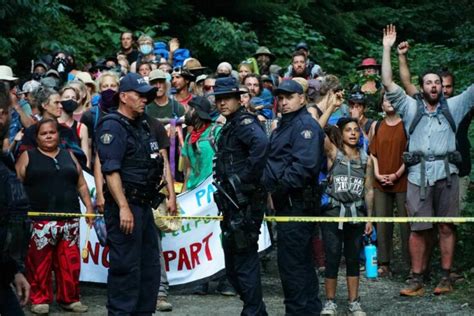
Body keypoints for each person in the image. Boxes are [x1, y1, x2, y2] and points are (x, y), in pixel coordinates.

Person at [381, 24, 474, 296]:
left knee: (446, 226)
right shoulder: (410, 107)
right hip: (417, 176)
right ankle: (416, 279)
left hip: (447, 174)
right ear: (420, 88)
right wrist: (387, 49)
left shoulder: (455, 105)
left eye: (437, 82)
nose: (434, 86)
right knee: (418, 229)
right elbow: (388, 83)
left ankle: (445, 277)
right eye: (429, 82)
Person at [96, 73, 176, 315]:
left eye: (147, 96)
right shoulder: (112, 125)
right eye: (140, 95)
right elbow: (110, 170)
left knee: (149, 269)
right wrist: (122, 207)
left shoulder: (143, 124)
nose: (145, 100)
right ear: (123, 97)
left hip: (144, 207)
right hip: (126, 208)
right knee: (126, 270)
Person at [16, 119, 94, 314]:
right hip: (39, 221)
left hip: (69, 220)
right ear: (37, 137)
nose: (49, 136)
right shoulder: (28, 156)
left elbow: (82, 184)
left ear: (58, 135)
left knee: (70, 262)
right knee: (39, 263)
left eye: (52, 132)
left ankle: (70, 298)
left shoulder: (69, 155)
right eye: (44, 133)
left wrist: (89, 207)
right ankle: (39, 299)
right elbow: (16, 185)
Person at [262, 79, 324, 315]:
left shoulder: (305, 126)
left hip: (296, 203)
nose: (284, 102)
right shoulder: (284, 126)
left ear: (302, 98)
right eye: (281, 98)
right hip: (286, 203)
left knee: (293, 265)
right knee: (299, 262)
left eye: (289, 97)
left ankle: (299, 311)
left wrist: (276, 189)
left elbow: (303, 168)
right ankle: (307, 310)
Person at [212, 77, 268, 315]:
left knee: (243, 260)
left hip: (244, 203)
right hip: (233, 203)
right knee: (234, 264)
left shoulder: (244, 122)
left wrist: (242, 180)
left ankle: (254, 311)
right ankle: (256, 310)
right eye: (219, 99)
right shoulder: (231, 124)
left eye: (227, 98)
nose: (222, 103)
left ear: (239, 99)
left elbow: (261, 144)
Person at [317, 114, 374, 316]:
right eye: (348, 130)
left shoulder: (367, 159)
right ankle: (330, 302)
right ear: (341, 133)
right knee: (332, 257)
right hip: (333, 213)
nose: (352, 133)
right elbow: (316, 129)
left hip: (356, 214)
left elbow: (369, 190)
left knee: (352, 259)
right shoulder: (333, 152)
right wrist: (331, 105)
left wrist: (369, 218)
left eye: (355, 130)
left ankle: (354, 302)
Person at [369, 94, 410, 276]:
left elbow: (410, 153)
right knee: (382, 223)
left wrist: (396, 174)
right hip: (381, 180)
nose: (389, 102)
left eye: (392, 99)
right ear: (381, 104)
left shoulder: (407, 125)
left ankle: (412, 265)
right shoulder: (377, 126)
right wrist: (378, 174)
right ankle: (384, 263)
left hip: (402, 180)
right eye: (386, 99)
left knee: (406, 224)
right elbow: (373, 153)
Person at [58, 85, 91, 168]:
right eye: (67, 97)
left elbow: (86, 158)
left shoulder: (81, 127)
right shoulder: (52, 125)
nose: (70, 100)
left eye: (73, 98)